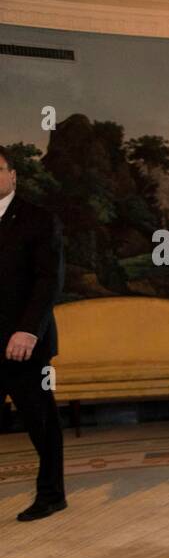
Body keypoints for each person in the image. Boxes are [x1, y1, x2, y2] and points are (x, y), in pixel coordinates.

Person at [0, 147, 66, 522]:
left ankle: (52, 495)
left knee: (41, 423)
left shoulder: (39, 220)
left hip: (27, 346)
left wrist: (27, 331)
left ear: (12, 175)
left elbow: (48, 281)